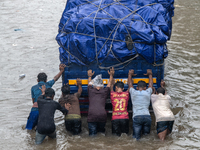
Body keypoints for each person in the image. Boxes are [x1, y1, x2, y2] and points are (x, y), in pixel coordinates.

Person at [25, 64, 66, 130]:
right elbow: (55, 78)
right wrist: (61, 71)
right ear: (46, 80)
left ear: (37, 80)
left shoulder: (33, 88)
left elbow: (33, 101)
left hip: (35, 110)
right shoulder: (48, 84)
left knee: (29, 129)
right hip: (45, 111)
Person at [87, 67, 114, 136]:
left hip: (92, 115)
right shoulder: (104, 91)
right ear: (102, 85)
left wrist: (90, 76)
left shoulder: (91, 90)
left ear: (94, 85)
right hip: (102, 116)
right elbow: (109, 84)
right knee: (102, 133)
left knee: (92, 135)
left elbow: (89, 83)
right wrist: (111, 75)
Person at [128, 69, 153, 140]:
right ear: (145, 87)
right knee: (146, 137)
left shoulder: (133, 92)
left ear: (137, 87)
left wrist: (130, 74)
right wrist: (150, 74)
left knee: (136, 138)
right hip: (147, 116)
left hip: (137, 116)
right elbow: (151, 85)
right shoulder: (148, 92)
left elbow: (130, 84)